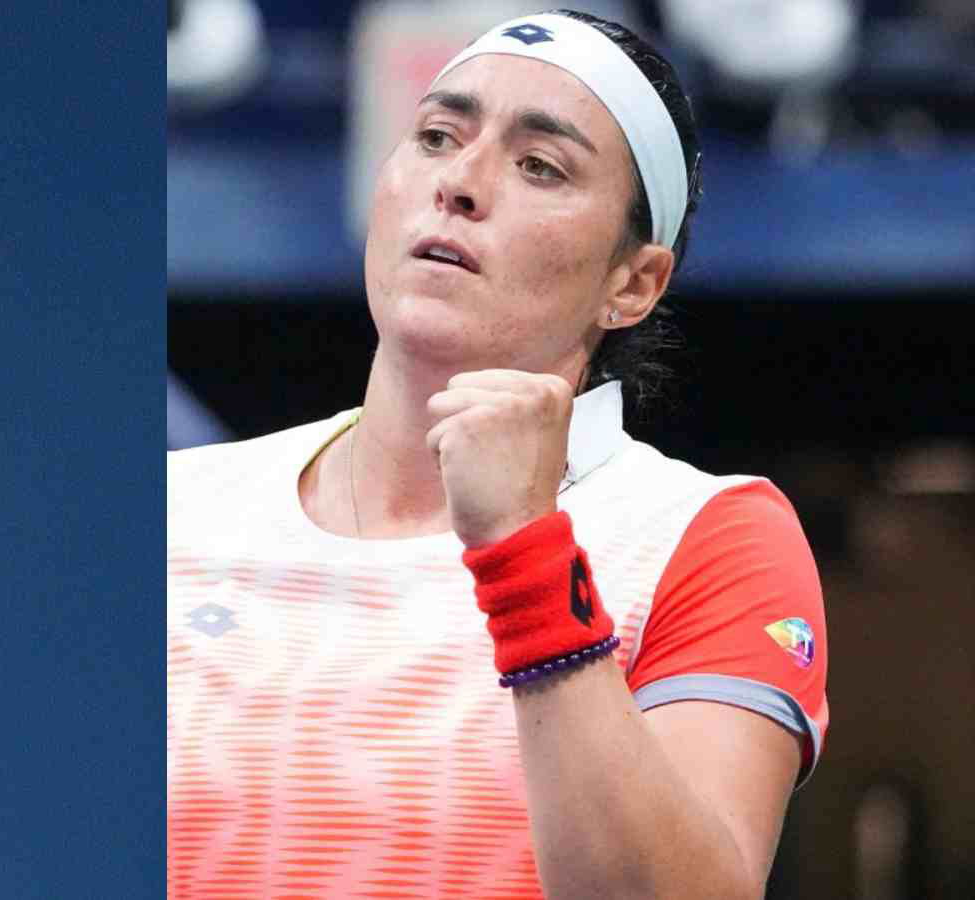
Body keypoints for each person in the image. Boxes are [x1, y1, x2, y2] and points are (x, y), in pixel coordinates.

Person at [167, 10, 828, 899]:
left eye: (540, 166)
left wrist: (524, 552)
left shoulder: (711, 537)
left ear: (633, 282)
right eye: (437, 137)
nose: (462, 183)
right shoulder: (179, 503)